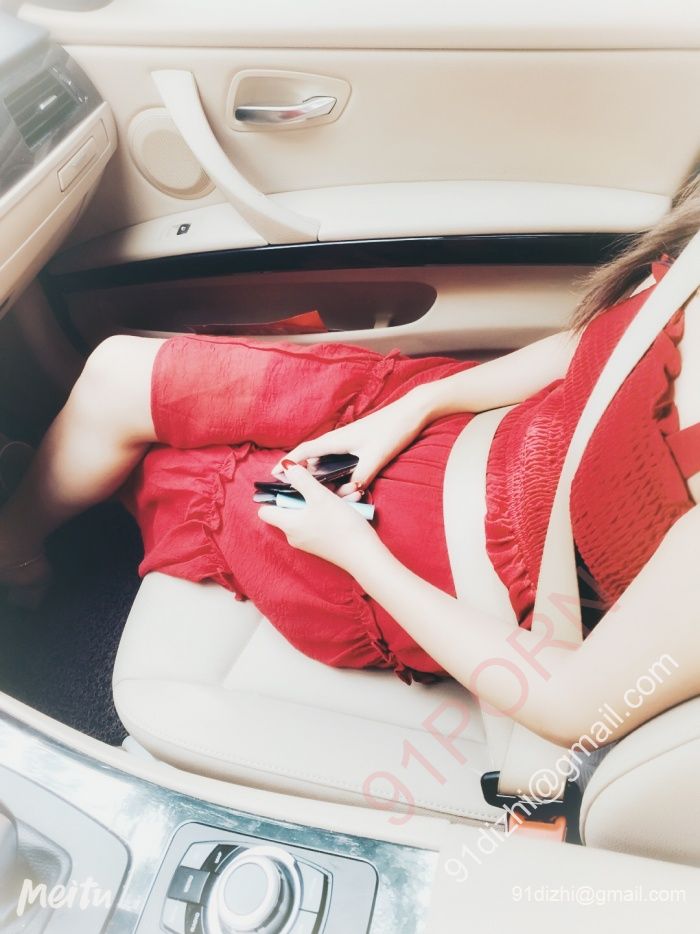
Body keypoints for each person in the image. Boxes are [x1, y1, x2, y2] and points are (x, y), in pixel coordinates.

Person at [1, 179, 699, 751]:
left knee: (159, 470)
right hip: (471, 421)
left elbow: (573, 705)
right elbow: (592, 350)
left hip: (452, 560)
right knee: (122, 377)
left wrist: (353, 551)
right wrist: (417, 407)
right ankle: (23, 534)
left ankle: (19, 549)